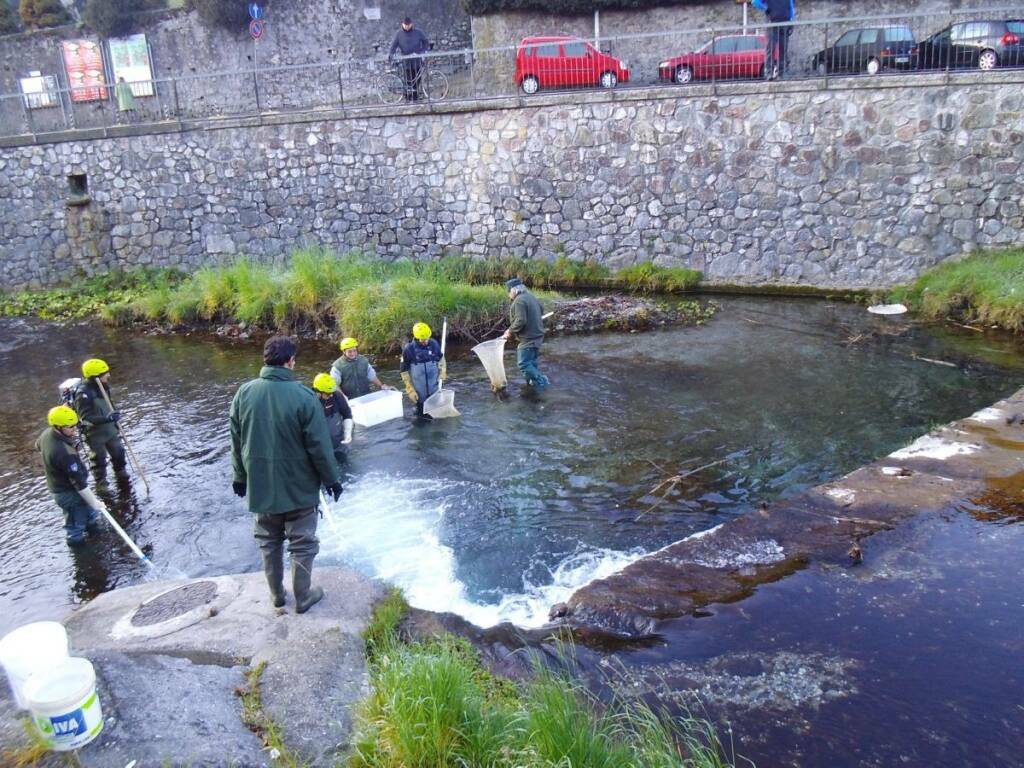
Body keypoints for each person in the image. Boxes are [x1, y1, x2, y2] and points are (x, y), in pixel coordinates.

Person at [230, 336, 343, 613]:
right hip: (299, 487)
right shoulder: (304, 396)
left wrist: (240, 477)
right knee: (302, 542)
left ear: (265, 360)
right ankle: (302, 597)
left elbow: (236, 440)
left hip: (261, 486)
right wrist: (332, 480)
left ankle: (277, 596)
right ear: (291, 361)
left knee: (269, 541)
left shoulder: (244, 393)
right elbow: (319, 446)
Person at [36, 406, 100, 546]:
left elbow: (38, 446)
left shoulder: (46, 434)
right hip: (68, 493)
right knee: (75, 527)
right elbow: (79, 483)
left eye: (75, 426)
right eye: (70, 427)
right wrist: (94, 502)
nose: (74, 429)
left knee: (90, 515)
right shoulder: (65, 454)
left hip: (65, 485)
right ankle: (81, 555)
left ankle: (96, 538)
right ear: (59, 427)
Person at [74, 358, 129, 484]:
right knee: (99, 460)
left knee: (119, 452)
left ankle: (121, 474)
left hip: (110, 430)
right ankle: (101, 484)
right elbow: (85, 418)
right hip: (95, 434)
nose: (108, 375)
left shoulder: (104, 386)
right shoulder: (83, 394)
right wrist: (107, 418)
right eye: (105, 374)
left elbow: (109, 404)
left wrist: (115, 417)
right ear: (95, 377)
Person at [503, 278, 549, 391]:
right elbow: (541, 310)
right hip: (538, 336)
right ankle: (532, 385)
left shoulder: (519, 301)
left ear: (514, 290)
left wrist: (510, 331)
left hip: (529, 338)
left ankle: (542, 382)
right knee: (531, 363)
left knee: (523, 364)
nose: (508, 294)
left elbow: (520, 321)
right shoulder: (531, 297)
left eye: (508, 291)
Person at [400, 322, 445, 420]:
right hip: (420, 394)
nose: (425, 341)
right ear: (416, 337)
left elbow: (441, 359)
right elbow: (404, 371)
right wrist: (409, 388)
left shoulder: (433, 344)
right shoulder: (409, 349)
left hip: (434, 391)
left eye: (427, 339)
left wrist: (443, 370)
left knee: (439, 420)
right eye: (422, 339)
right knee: (422, 420)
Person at [313, 373, 354, 463]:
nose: (331, 395)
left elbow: (347, 414)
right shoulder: (310, 403)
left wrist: (348, 434)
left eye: (332, 392)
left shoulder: (337, 396)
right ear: (318, 392)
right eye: (328, 394)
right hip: (321, 449)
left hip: (339, 444)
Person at [388, 16, 431, 101]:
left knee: (417, 79)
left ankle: (415, 97)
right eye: (405, 25)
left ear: (412, 24)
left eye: (408, 25)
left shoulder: (418, 32)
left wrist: (422, 52)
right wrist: (391, 55)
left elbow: (426, 42)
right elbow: (393, 46)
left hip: (417, 60)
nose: (407, 26)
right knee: (408, 80)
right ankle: (408, 97)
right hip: (406, 62)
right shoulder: (399, 34)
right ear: (402, 24)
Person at [752, 0, 795, 79]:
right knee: (770, 49)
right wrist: (766, 8)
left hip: (785, 23)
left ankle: (782, 73)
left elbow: (791, 7)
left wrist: (792, 21)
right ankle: (769, 73)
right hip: (772, 23)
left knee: (783, 49)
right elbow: (755, 2)